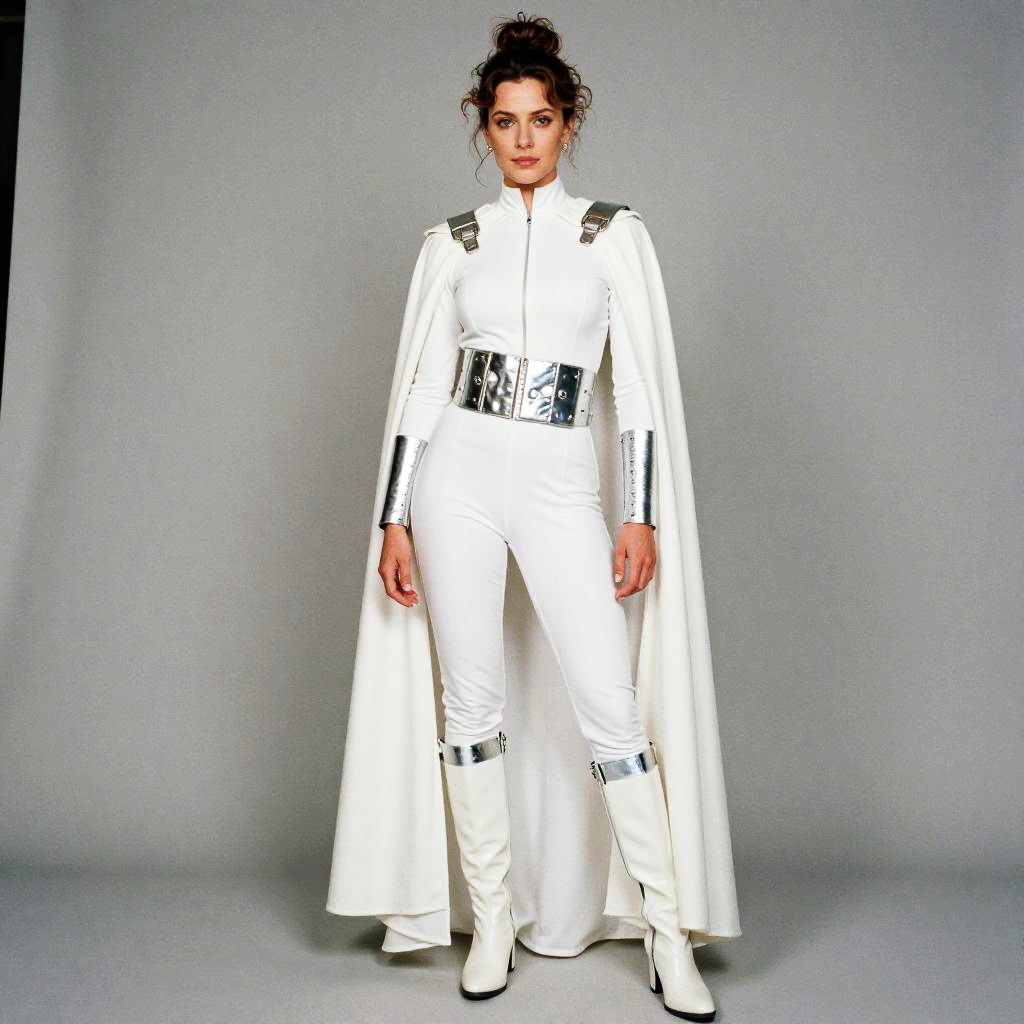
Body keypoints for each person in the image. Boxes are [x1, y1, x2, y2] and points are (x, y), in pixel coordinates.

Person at [326, 13, 741, 1021]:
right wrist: (393, 518)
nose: (522, 138)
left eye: (541, 119)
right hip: (455, 479)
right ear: (484, 124)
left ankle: (667, 932)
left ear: (568, 123)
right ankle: (494, 922)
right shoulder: (453, 245)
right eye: (505, 121)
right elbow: (424, 387)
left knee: (609, 706)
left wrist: (637, 514)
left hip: (560, 481)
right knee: (470, 705)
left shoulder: (609, 235)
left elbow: (634, 390)